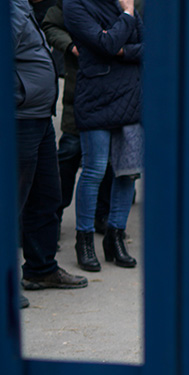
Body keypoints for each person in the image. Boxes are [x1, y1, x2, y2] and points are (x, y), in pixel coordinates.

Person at [13, 0, 89, 304]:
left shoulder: (21, 5)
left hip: (39, 116)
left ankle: (41, 268)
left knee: (46, 195)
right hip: (19, 119)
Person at [63, 0, 143, 272]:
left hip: (131, 98)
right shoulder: (75, 5)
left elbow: (149, 47)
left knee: (128, 172)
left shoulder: (119, 1)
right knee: (94, 170)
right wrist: (128, 14)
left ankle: (116, 237)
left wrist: (121, 49)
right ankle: (84, 239)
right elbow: (104, 44)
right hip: (96, 98)